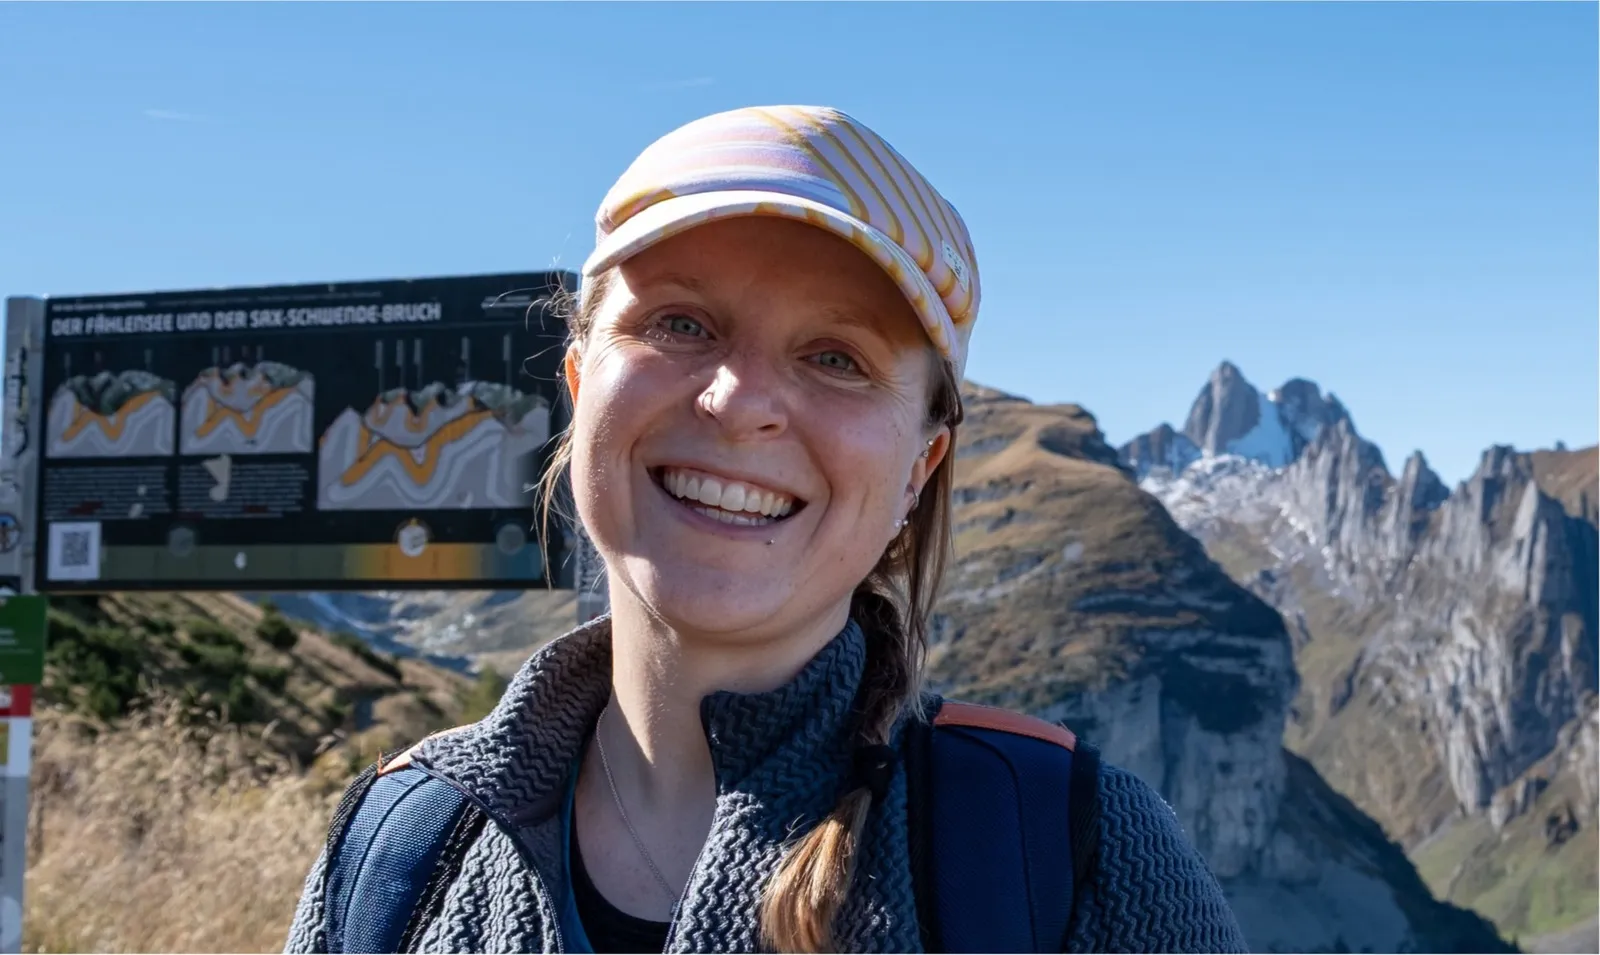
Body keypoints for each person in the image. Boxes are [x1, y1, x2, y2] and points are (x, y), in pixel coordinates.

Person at [285, 105, 1247, 954]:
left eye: (836, 356)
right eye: (680, 324)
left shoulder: (1079, 856)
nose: (740, 402)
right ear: (580, 387)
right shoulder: (400, 843)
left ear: (921, 467)